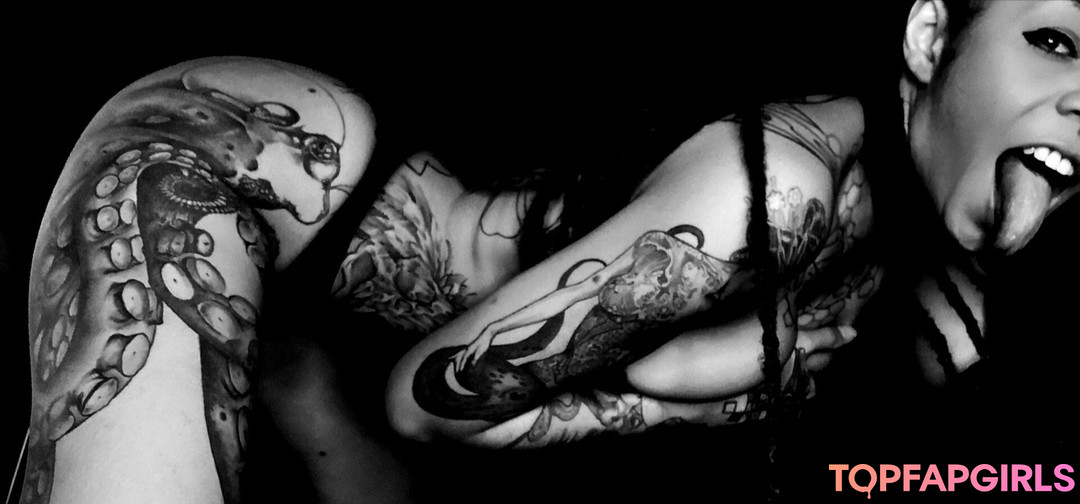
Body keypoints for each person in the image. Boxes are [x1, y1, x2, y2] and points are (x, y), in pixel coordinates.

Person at [17, 1, 1078, 503]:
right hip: (222, 161)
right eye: (1054, 41)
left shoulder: (927, 251)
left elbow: (972, 469)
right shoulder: (778, 192)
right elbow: (428, 403)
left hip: (338, 324)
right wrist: (682, 404)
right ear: (930, 39)